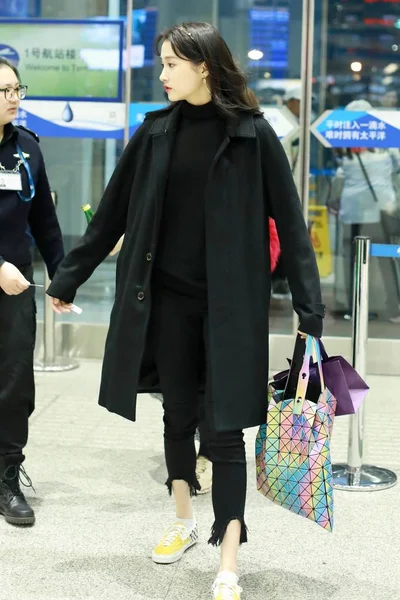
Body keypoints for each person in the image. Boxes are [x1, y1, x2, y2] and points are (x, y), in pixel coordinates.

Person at [46, 23, 324, 600]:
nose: (163, 73)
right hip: (165, 304)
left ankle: (229, 554)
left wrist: (309, 308)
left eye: (172, 63)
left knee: (224, 432)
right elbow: (112, 214)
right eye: (162, 63)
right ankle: (182, 519)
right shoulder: (154, 133)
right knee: (176, 416)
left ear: (204, 67)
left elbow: (293, 229)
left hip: (229, 311)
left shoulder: (253, 135)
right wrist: (70, 274)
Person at [0, 57, 64, 525]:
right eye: (4, 91)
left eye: (17, 88)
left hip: (15, 288)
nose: (14, 98)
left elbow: (44, 219)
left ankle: (6, 477)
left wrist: (63, 277)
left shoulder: (27, 149)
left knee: (15, 384)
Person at [331, 99, 400, 322]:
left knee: (353, 260)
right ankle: (394, 307)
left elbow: (340, 178)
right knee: (386, 259)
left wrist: (333, 200)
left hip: (353, 213)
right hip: (382, 209)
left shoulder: (346, 149)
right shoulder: (388, 144)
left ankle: (354, 307)